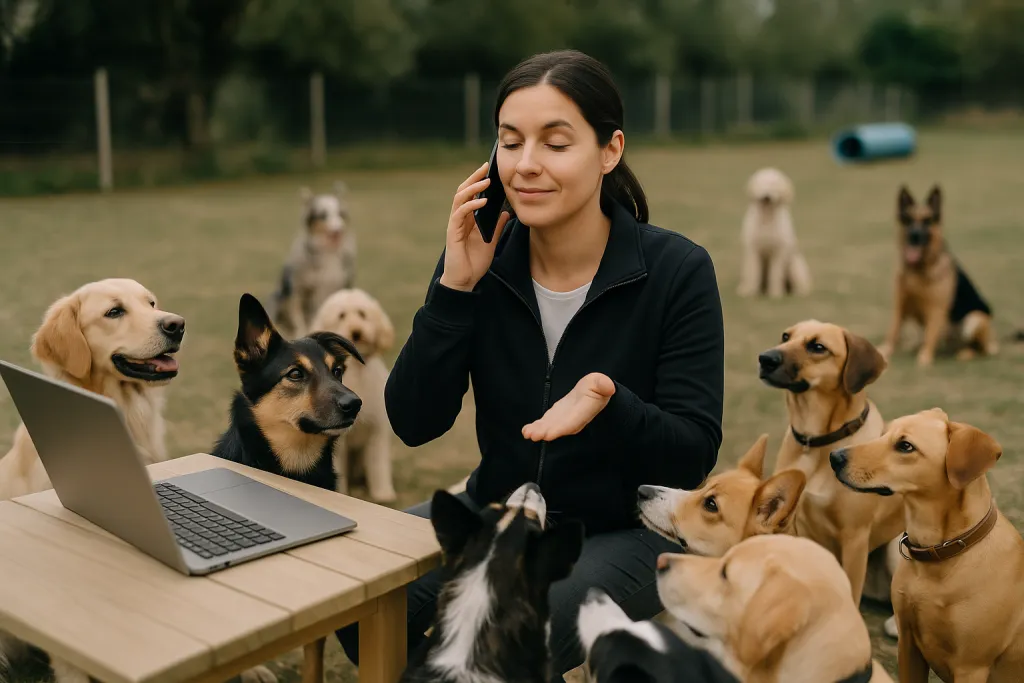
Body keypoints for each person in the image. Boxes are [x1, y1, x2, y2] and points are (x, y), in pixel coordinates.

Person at [336, 48, 725, 679]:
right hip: (498, 509)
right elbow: (412, 420)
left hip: (621, 530)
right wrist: (454, 288)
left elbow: (692, 453)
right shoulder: (481, 259)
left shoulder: (678, 271)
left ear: (610, 150)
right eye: (509, 142)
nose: (526, 165)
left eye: (556, 142)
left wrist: (610, 401)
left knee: (515, 627)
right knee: (353, 594)